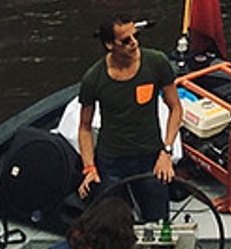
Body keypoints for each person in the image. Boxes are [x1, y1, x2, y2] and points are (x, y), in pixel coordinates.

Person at [76, 16, 181, 224]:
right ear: (109, 45)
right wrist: (89, 168)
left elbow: (176, 108)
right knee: (111, 226)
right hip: (111, 161)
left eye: (136, 36)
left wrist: (166, 151)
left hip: (151, 158)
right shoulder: (93, 78)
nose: (134, 42)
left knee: (159, 225)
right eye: (125, 40)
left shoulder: (157, 63)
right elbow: (85, 127)